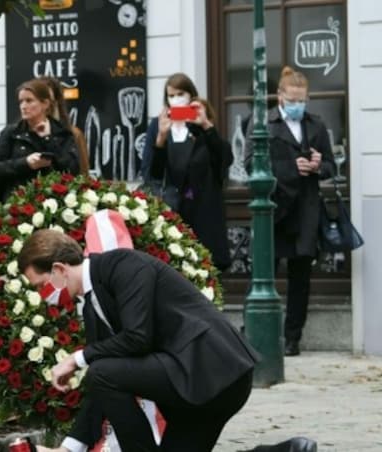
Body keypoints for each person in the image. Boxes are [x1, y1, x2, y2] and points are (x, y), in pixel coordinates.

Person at [18, 229, 258, 452]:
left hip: (215, 369)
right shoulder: (92, 305)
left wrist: (76, 359)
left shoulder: (124, 264)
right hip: (195, 385)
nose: (43, 295)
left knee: (101, 371)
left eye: (41, 286)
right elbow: (99, 385)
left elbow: (136, 338)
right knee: (102, 372)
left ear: (59, 269)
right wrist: (69, 448)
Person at [244, 66, 335, 357]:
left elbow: (332, 167)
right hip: (273, 209)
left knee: (301, 277)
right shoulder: (263, 123)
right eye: (293, 99)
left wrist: (319, 165)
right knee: (263, 273)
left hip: (306, 209)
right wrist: (290, 169)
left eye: (303, 100)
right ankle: (254, 332)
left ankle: (293, 336)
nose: (298, 105)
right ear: (280, 96)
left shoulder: (316, 126)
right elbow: (250, 165)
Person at [148, 88, 234, 271]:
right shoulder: (180, 141)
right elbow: (156, 172)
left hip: (207, 220)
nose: (193, 118)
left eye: (196, 113)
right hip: (181, 218)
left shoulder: (211, 143)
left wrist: (206, 125)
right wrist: (161, 137)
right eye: (189, 113)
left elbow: (225, 156)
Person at [0, 79, 80, 220]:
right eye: (21, 102)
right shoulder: (12, 133)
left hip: (52, 209)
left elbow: (72, 170)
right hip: (16, 209)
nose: (23, 106)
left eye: (29, 101)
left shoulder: (62, 133)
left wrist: (48, 139)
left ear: (45, 104)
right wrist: (26, 163)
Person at [40, 76, 90, 174]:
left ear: (57, 101)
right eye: (40, 99)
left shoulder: (73, 134)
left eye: (49, 99)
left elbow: (83, 175)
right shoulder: (19, 134)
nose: (45, 105)